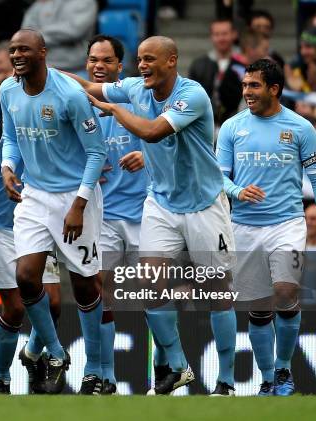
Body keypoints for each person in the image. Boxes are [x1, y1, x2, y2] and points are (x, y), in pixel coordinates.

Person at [66, 35, 238, 396]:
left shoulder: (192, 96)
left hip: (205, 204)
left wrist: (113, 110)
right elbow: (89, 85)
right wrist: (46, 72)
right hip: (160, 203)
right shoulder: (135, 87)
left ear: (172, 60)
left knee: (216, 292)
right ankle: (177, 366)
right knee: (150, 284)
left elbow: (152, 131)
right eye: (140, 60)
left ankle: (226, 382)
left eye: (149, 59)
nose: (142, 66)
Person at [216, 58, 316, 396]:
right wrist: (238, 191)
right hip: (243, 226)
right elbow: (218, 178)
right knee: (257, 307)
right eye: (244, 86)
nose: (246, 92)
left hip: (286, 223)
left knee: (285, 292)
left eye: (253, 86)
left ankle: (284, 368)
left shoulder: (300, 128)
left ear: (274, 89)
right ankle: (268, 378)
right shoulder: (231, 127)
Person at [1, 29, 106, 395]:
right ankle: (57, 353)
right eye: (12, 49)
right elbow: (11, 137)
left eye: (24, 49)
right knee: (26, 276)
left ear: (42, 53)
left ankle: (94, 371)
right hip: (35, 196)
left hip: (76, 197)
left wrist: (78, 205)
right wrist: (8, 165)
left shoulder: (71, 95)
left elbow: (97, 152)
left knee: (84, 283)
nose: (16, 55)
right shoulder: (7, 89)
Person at [84, 34, 148, 395]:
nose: (98, 66)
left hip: (145, 213)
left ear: (119, 66)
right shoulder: (80, 104)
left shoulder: (137, 97)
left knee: (155, 296)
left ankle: (164, 372)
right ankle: (104, 377)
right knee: (102, 292)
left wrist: (147, 157)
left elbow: (170, 141)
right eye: (93, 59)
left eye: (106, 60)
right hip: (103, 214)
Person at [0, 140, 62, 394]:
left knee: (54, 303)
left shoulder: (49, 132)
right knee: (14, 309)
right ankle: (1, 379)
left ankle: (32, 353)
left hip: (37, 223)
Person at [188, 18, 244, 126]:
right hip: (206, 123)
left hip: (237, 122)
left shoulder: (245, 63)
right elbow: (191, 96)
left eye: (224, 34)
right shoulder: (199, 64)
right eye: (217, 34)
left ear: (234, 34)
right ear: (211, 37)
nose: (221, 38)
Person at [21, 0, 98, 74]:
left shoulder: (86, 2)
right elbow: (26, 33)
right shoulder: (41, 3)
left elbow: (73, 31)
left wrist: (38, 35)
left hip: (75, 68)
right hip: (44, 66)